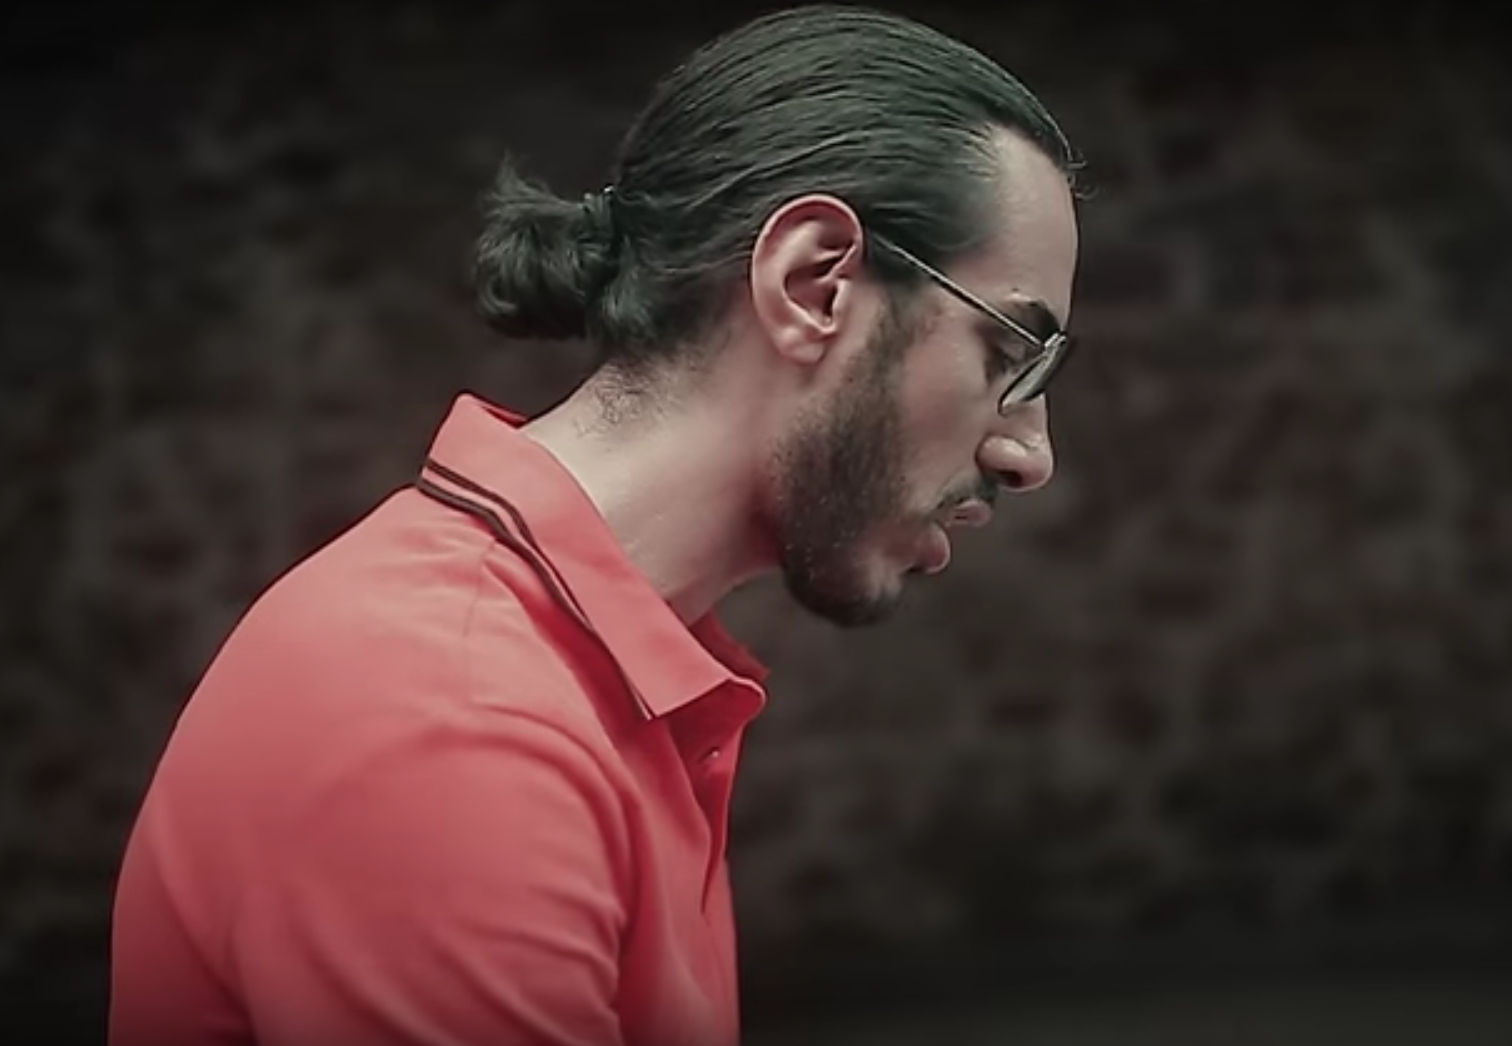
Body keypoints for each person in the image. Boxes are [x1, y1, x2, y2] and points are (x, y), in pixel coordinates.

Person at [108, 4, 1083, 1045]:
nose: (1030, 454)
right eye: (1008, 355)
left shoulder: (570, 668)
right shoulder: (456, 719)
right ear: (814, 283)